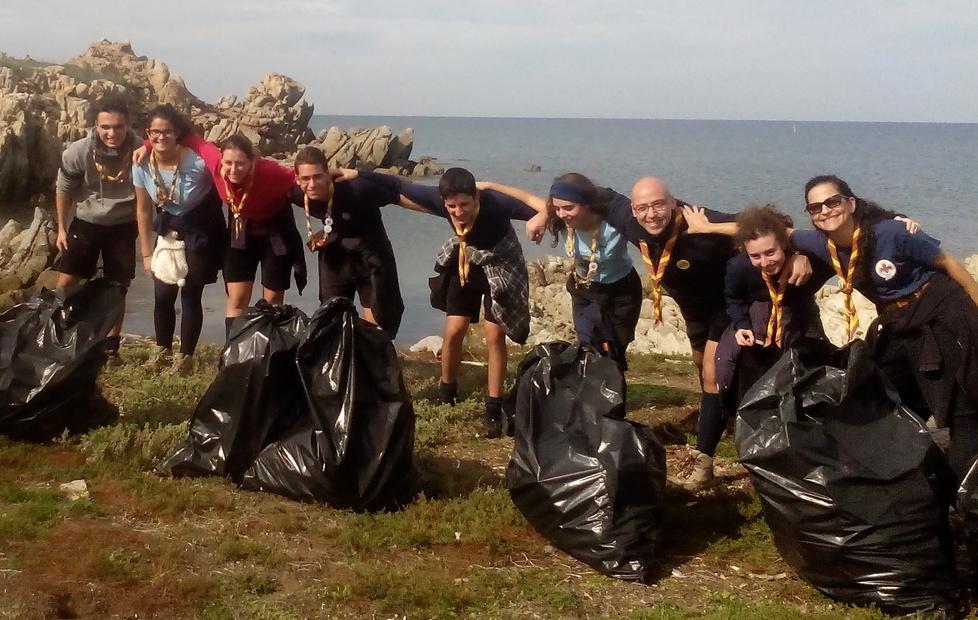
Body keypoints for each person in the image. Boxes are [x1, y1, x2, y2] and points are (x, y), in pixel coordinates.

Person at [793, 175, 978, 482]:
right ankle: (914, 481)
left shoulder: (892, 231)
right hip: (896, 325)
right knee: (881, 397)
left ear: (851, 203)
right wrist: (798, 256)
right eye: (815, 208)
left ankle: (967, 505)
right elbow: (774, 232)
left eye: (832, 201)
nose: (825, 211)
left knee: (962, 408)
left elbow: (950, 263)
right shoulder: (819, 242)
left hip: (940, 316)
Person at [340, 167, 547, 438]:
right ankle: (446, 393)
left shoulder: (496, 203)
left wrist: (538, 217)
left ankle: (493, 410)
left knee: (493, 335)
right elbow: (396, 185)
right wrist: (356, 172)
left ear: (477, 198)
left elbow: (544, 206)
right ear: (443, 202)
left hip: (501, 261)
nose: (458, 212)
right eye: (452, 207)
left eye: (465, 204)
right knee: (453, 331)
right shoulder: (439, 201)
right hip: (467, 260)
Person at [480, 174, 643, 370]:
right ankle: (591, 391)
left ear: (587, 204)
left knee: (615, 350)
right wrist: (489, 184)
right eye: (557, 208)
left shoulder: (613, 224)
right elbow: (523, 198)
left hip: (622, 292)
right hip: (584, 290)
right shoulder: (560, 220)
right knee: (589, 344)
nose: (562, 214)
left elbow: (651, 220)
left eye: (569, 208)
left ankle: (613, 390)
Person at [165, 132, 306, 336]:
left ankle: (268, 354)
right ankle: (234, 353)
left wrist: (345, 174)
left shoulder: (270, 172)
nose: (233, 169)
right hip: (241, 234)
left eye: (240, 163)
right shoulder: (215, 164)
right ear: (221, 159)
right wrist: (146, 147)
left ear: (252, 161)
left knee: (273, 301)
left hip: (274, 234)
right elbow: (192, 139)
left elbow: (307, 177)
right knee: (237, 299)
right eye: (228, 162)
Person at [133, 104, 226, 375]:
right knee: (162, 296)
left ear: (178, 133)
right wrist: (147, 254)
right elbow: (142, 209)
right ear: (147, 134)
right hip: (168, 232)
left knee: (190, 295)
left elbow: (227, 179)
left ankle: (184, 359)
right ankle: (162, 352)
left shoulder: (196, 162)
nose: (161, 138)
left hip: (200, 233)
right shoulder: (141, 163)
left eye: (167, 132)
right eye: (155, 133)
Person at [55, 96, 142, 362]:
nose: (111, 133)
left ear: (127, 126)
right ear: (96, 125)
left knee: (118, 287)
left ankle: (111, 345)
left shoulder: (140, 148)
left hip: (124, 226)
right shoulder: (78, 151)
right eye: (105, 127)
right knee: (68, 278)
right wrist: (61, 228)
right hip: (87, 222)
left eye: (118, 127)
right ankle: (56, 331)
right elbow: (64, 189)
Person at [290, 146, 404, 337]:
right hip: (336, 253)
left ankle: (377, 362)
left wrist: (359, 173)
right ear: (297, 179)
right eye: (305, 178)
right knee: (330, 318)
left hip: (371, 253)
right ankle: (339, 362)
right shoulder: (297, 194)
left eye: (318, 176)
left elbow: (397, 187)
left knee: (379, 325)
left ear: (328, 174)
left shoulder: (356, 188)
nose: (312, 184)